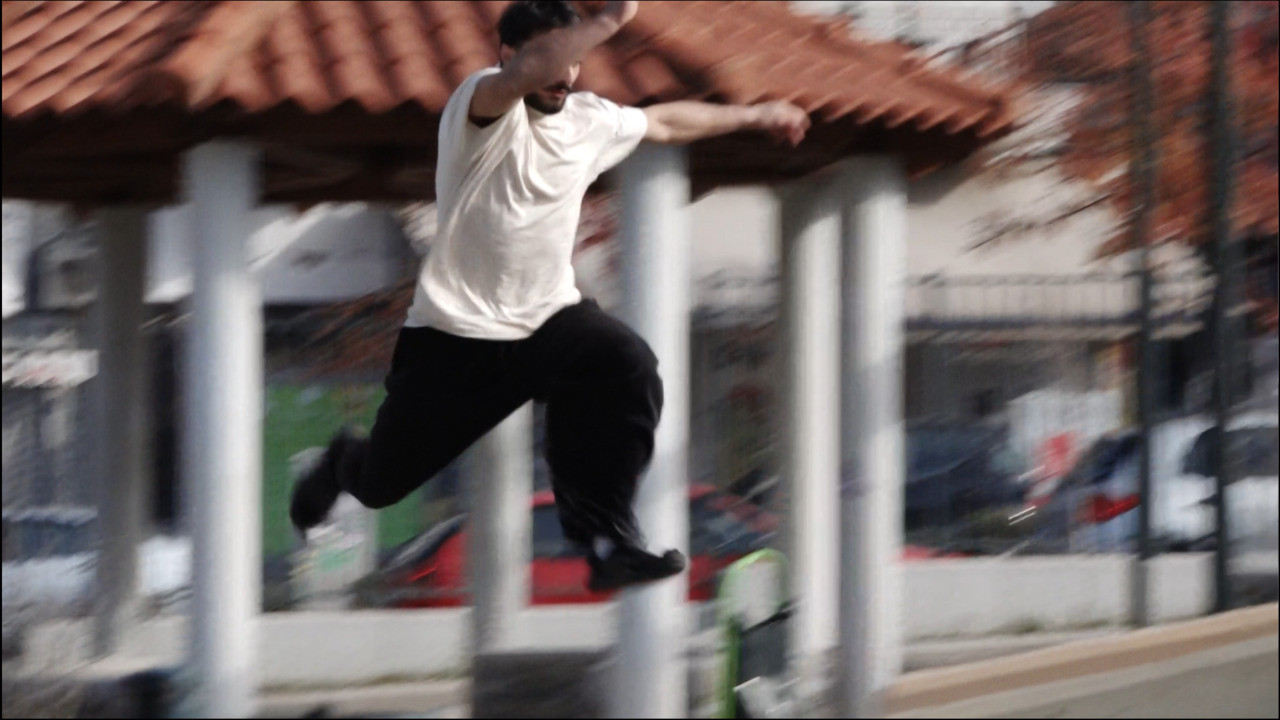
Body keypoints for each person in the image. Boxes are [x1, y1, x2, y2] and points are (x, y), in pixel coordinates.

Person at [290, 0, 809, 592]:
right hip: (456, 339)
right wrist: (607, 23)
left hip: (548, 319)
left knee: (624, 366)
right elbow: (528, 76)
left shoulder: (588, 120)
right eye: (554, 59)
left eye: (576, 63)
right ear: (510, 56)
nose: (566, 75)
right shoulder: (480, 107)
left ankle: (605, 540)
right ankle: (341, 460)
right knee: (381, 484)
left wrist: (756, 114)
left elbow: (665, 123)